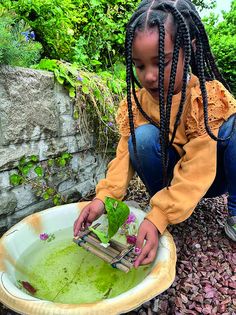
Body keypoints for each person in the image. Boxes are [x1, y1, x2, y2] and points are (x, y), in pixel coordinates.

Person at [74, 0, 236, 267]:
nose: (149, 76)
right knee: (143, 138)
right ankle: (166, 208)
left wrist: (158, 215)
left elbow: (199, 166)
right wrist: (103, 199)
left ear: (190, 50)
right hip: (168, 177)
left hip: (211, 177)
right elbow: (124, 157)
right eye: (139, 66)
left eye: (162, 61)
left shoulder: (205, 98)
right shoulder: (136, 104)